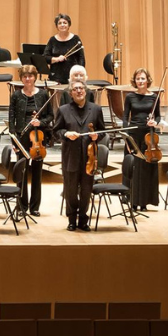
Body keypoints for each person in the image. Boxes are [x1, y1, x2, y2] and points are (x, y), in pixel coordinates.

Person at [53, 81, 107, 231]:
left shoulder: (95, 109)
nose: (78, 91)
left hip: (89, 158)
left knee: (86, 190)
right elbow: (56, 131)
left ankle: (83, 219)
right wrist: (66, 134)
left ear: (85, 91)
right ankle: (71, 219)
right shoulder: (64, 110)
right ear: (71, 93)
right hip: (71, 156)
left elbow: (103, 130)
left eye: (81, 88)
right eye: (75, 89)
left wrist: (98, 136)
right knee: (70, 189)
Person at [10, 64, 53, 217]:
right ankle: (22, 206)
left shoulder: (43, 94)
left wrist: (40, 123)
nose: (27, 79)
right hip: (21, 137)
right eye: (24, 76)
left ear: (35, 77)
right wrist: (13, 139)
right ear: (21, 78)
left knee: (37, 172)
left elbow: (50, 117)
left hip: (38, 138)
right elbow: (11, 119)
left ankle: (34, 206)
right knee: (22, 172)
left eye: (30, 76)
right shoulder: (16, 95)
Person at [123, 68, 160, 211]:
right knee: (134, 167)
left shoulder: (154, 97)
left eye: (143, 78)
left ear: (147, 80)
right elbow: (125, 117)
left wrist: (155, 122)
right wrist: (126, 136)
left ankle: (144, 201)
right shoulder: (130, 97)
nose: (140, 81)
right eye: (138, 78)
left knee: (146, 169)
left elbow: (157, 116)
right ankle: (132, 200)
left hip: (149, 137)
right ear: (135, 81)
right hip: (133, 134)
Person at [44, 13, 85, 85]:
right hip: (55, 78)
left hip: (72, 78)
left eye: (65, 23)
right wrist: (57, 59)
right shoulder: (52, 40)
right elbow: (45, 57)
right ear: (57, 26)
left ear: (69, 25)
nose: (62, 25)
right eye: (59, 23)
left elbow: (81, 59)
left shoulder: (75, 39)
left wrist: (79, 75)